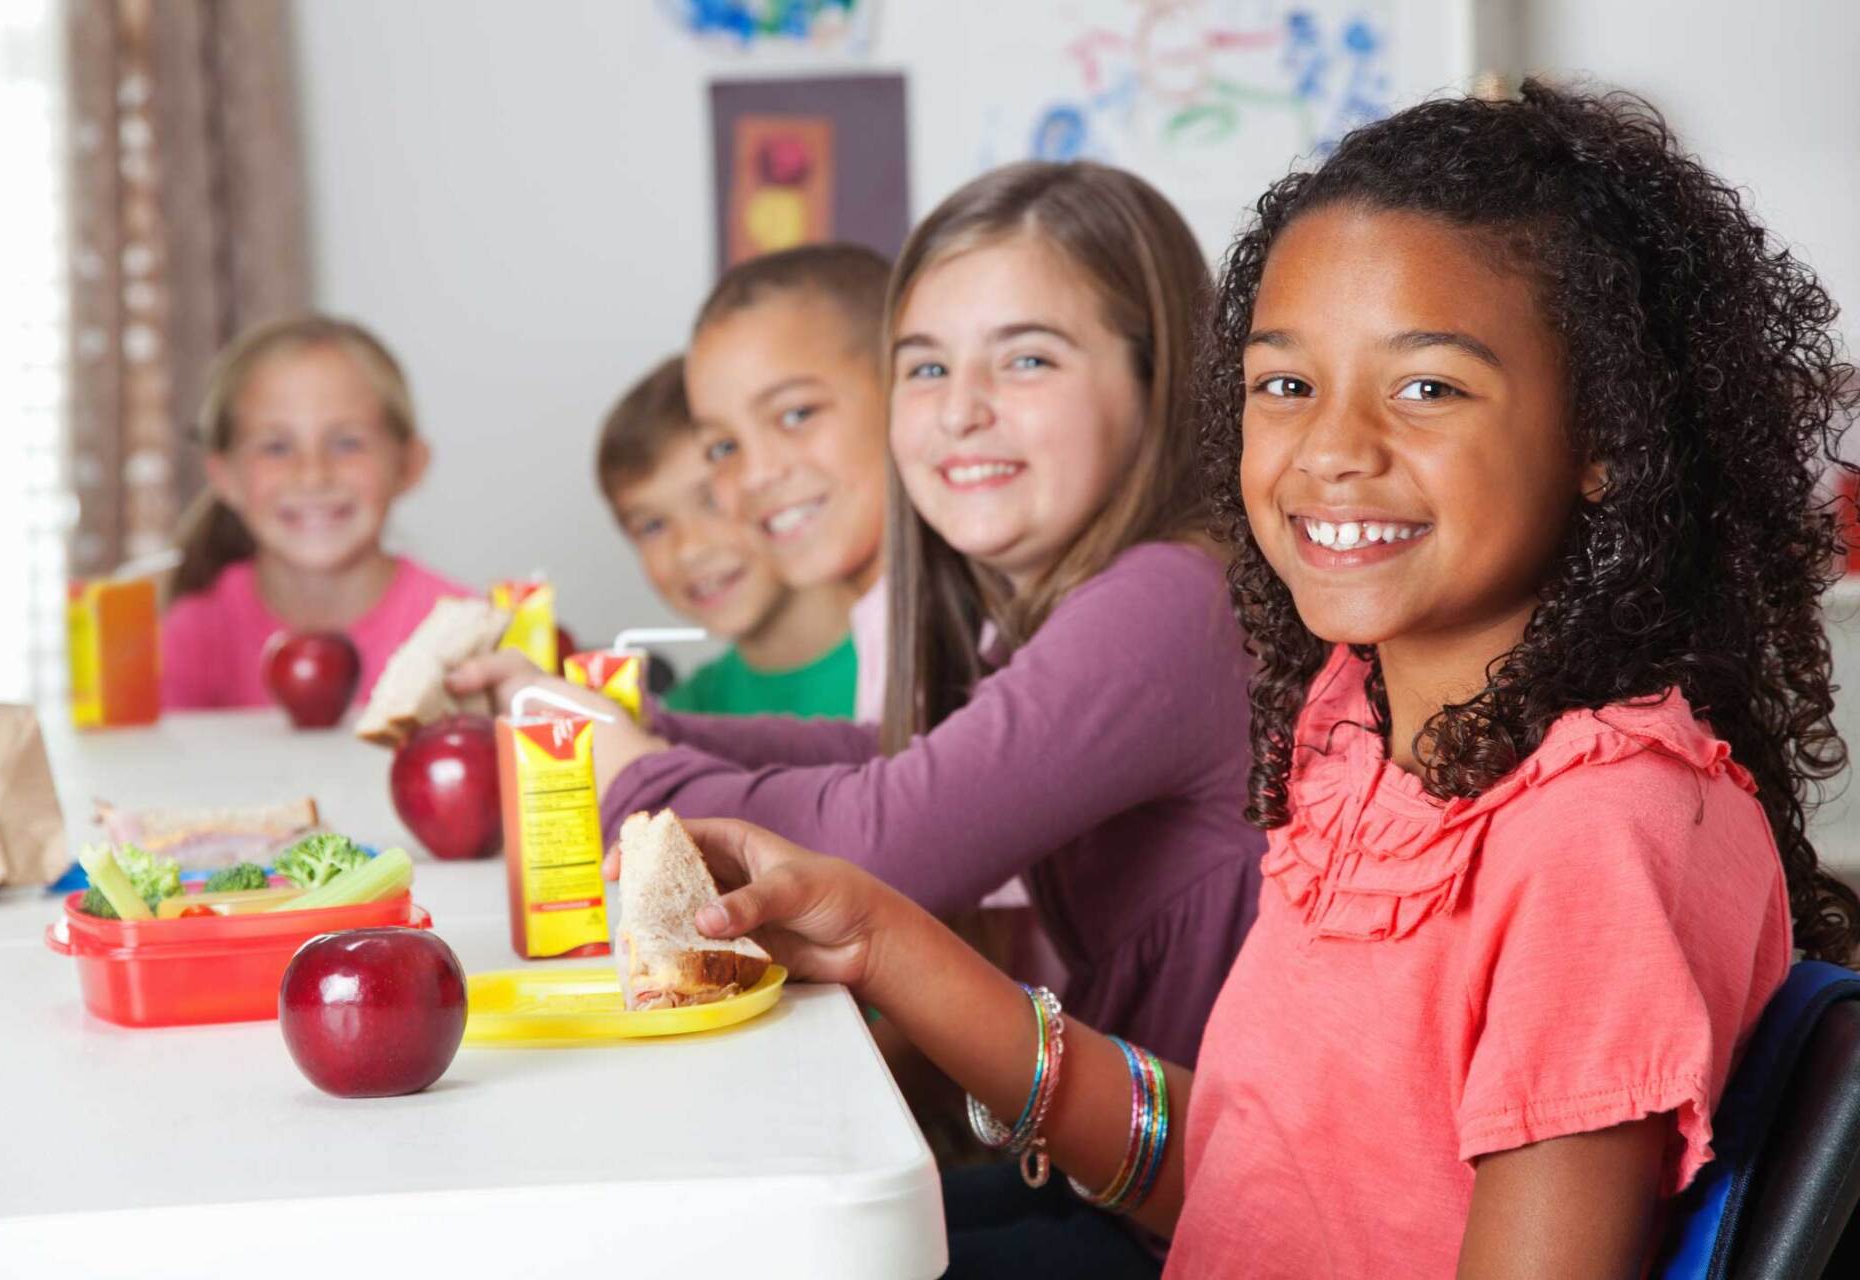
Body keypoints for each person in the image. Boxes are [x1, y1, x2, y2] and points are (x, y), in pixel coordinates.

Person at [601, 84, 1860, 1278]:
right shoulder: (1352, 734)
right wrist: (879, 940)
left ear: (1607, 438)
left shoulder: (1597, 826)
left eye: (1427, 387)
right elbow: (1255, 1175)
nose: (1332, 448)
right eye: (1285, 384)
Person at [453, 162, 1263, 1083]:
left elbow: (882, 846)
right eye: (926, 366)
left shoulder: (1171, 600)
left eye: (1028, 357)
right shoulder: (1066, 610)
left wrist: (639, 776)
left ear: (1158, 376)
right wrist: (641, 729)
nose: (961, 409)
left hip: (1191, 1214)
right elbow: (890, 754)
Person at [161, 315, 467, 709]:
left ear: (410, 464)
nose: (312, 476)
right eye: (276, 447)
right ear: (224, 476)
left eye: (346, 443)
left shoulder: (459, 636)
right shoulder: (191, 633)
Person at [686, 243, 894, 719]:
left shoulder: (995, 641)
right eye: (723, 448)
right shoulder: (885, 631)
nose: (757, 475)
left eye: (796, 414)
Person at [597, 354, 855, 718]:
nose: (689, 550)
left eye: (712, 502)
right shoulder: (682, 715)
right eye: (652, 526)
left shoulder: (928, 662)